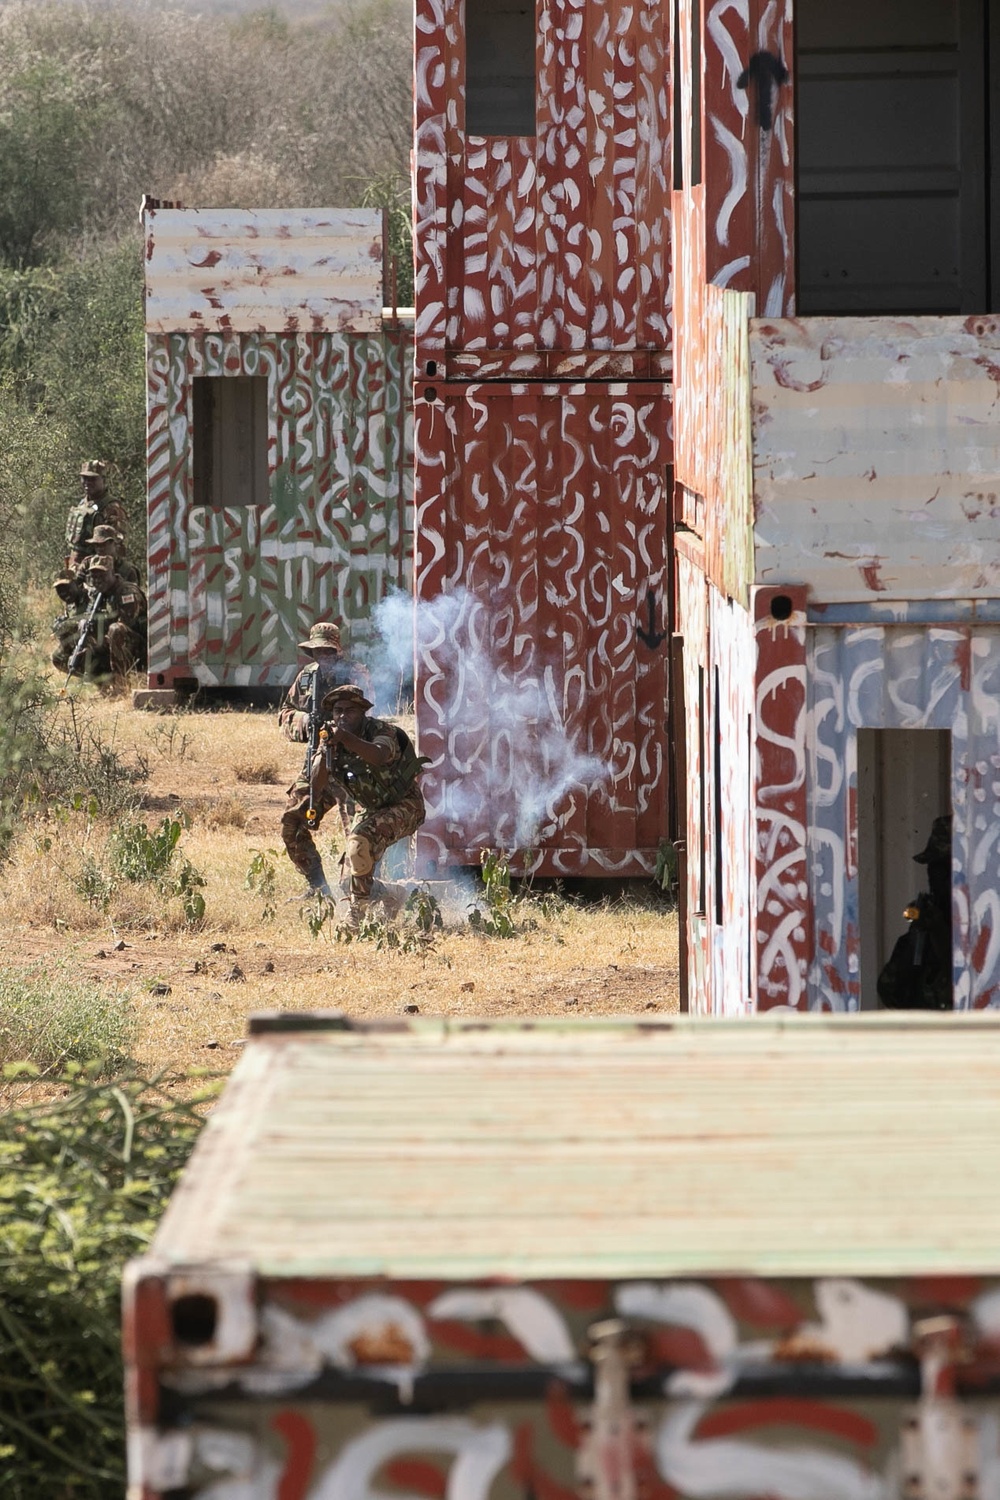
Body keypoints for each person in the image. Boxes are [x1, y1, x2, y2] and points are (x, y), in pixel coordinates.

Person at [314, 683, 426, 927]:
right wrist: (325, 752)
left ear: (362, 713)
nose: (342, 716)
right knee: (351, 877)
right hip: (371, 809)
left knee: (359, 843)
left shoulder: (381, 731)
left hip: (405, 805)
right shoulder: (332, 740)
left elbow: (378, 754)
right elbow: (315, 785)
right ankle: (393, 894)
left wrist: (346, 739)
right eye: (337, 711)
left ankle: (356, 914)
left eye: (350, 711)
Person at [278, 623, 374, 896]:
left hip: (351, 764)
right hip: (317, 761)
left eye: (328, 651)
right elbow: (285, 713)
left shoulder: (356, 674)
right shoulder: (307, 677)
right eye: (318, 652)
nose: (323, 657)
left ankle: (357, 897)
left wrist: (340, 728)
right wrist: (305, 722)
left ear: (337, 650)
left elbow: (368, 718)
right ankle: (319, 889)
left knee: (357, 835)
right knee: (292, 823)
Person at [877, 814, 953, 1010]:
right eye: (933, 867)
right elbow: (891, 993)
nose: (935, 875)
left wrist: (941, 937)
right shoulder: (932, 915)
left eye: (945, 868)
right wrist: (916, 939)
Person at [51, 553, 147, 687]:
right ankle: (102, 682)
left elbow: (126, 625)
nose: (97, 580)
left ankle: (121, 684)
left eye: (102, 576)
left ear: (112, 573)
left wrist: (98, 628)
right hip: (113, 646)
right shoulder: (98, 594)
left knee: (116, 629)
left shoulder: (126, 592)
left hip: (140, 650)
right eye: (94, 577)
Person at [64, 461, 128, 572]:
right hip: (75, 564)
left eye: (92, 479)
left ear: (103, 480)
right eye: (84, 478)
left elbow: (117, 544)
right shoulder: (83, 503)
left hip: (97, 567)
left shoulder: (111, 507)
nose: (87, 482)